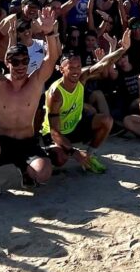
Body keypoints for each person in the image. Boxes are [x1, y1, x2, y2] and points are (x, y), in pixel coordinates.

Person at [0, 9, 62, 207]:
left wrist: (49, 33)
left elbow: (51, 59)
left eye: (24, 61)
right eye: (15, 62)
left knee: (43, 174)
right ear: (7, 62)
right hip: (2, 140)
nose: (21, 65)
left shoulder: (35, 81)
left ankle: (25, 169)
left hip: (27, 142)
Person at [43, 32, 131, 173]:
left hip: (76, 125)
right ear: (61, 69)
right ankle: (49, 151)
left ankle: (90, 155)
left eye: (78, 67)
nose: (76, 71)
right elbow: (54, 132)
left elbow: (103, 63)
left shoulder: (81, 77)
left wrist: (122, 49)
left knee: (106, 120)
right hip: (58, 133)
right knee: (60, 159)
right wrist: (75, 153)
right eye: (71, 67)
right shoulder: (56, 94)